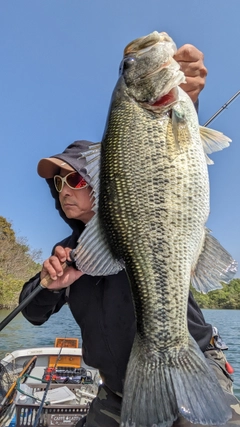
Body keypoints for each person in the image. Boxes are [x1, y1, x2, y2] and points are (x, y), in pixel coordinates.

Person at [19, 44, 240, 427]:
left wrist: (186, 98)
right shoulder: (70, 252)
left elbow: (160, 164)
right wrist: (49, 282)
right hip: (118, 393)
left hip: (194, 367)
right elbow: (33, 313)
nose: (63, 190)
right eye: (56, 185)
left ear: (101, 178)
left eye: (71, 178)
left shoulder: (134, 220)